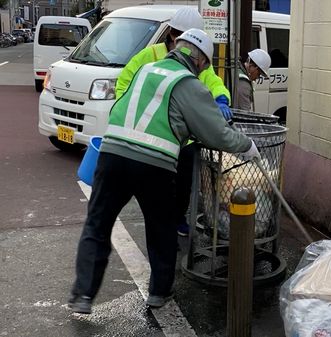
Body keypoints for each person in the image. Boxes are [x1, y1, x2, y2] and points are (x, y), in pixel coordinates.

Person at [68, 28, 261, 314]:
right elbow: (216, 134)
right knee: (162, 229)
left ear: (178, 48)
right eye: (205, 66)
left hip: (112, 155)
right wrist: (247, 146)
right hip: (153, 165)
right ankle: (158, 292)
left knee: (97, 224)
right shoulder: (187, 84)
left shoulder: (146, 69)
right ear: (199, 61)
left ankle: (83, 295)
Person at [114, 7, 232, 237]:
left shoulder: (197, 60)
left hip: (183, 139)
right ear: (171, 35)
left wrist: (221, 99)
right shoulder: (150, 55)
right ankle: (160, 225)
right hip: (152, 135)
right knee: (157, 184)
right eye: (179, 35)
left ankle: (177, 218)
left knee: (183, 182)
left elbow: (213, 81)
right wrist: (128, 111)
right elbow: (124, 82)